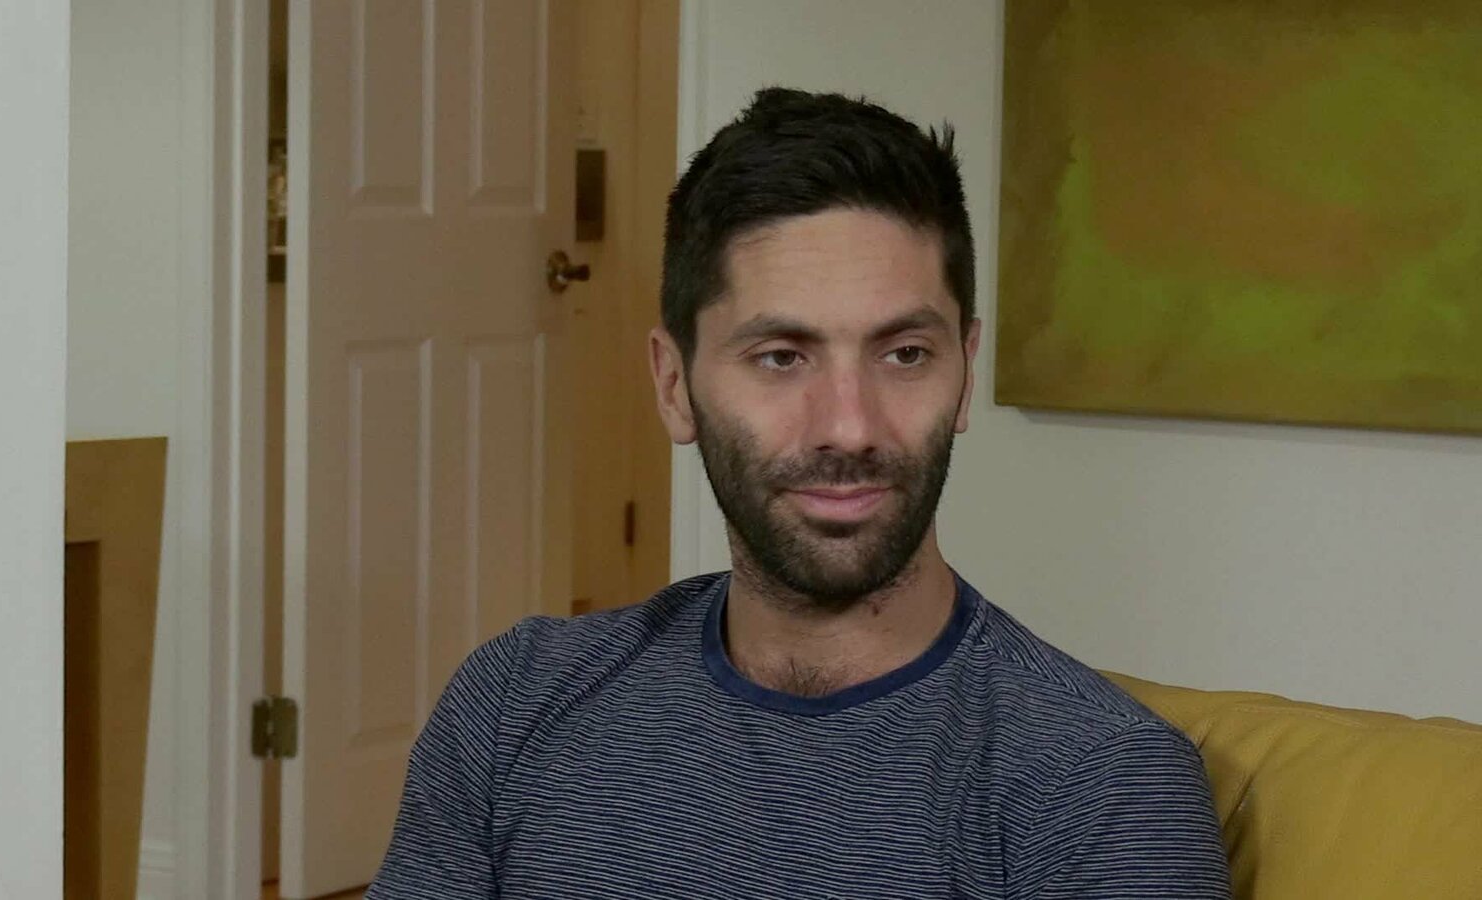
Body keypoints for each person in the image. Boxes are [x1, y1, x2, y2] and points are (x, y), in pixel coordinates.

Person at [368, 87, 1231, 899]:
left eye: (905, 354)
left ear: (964, 374)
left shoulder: (1102, 782)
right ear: (674, 386)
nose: (849, 427)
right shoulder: (515, 701)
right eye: (781, 357)